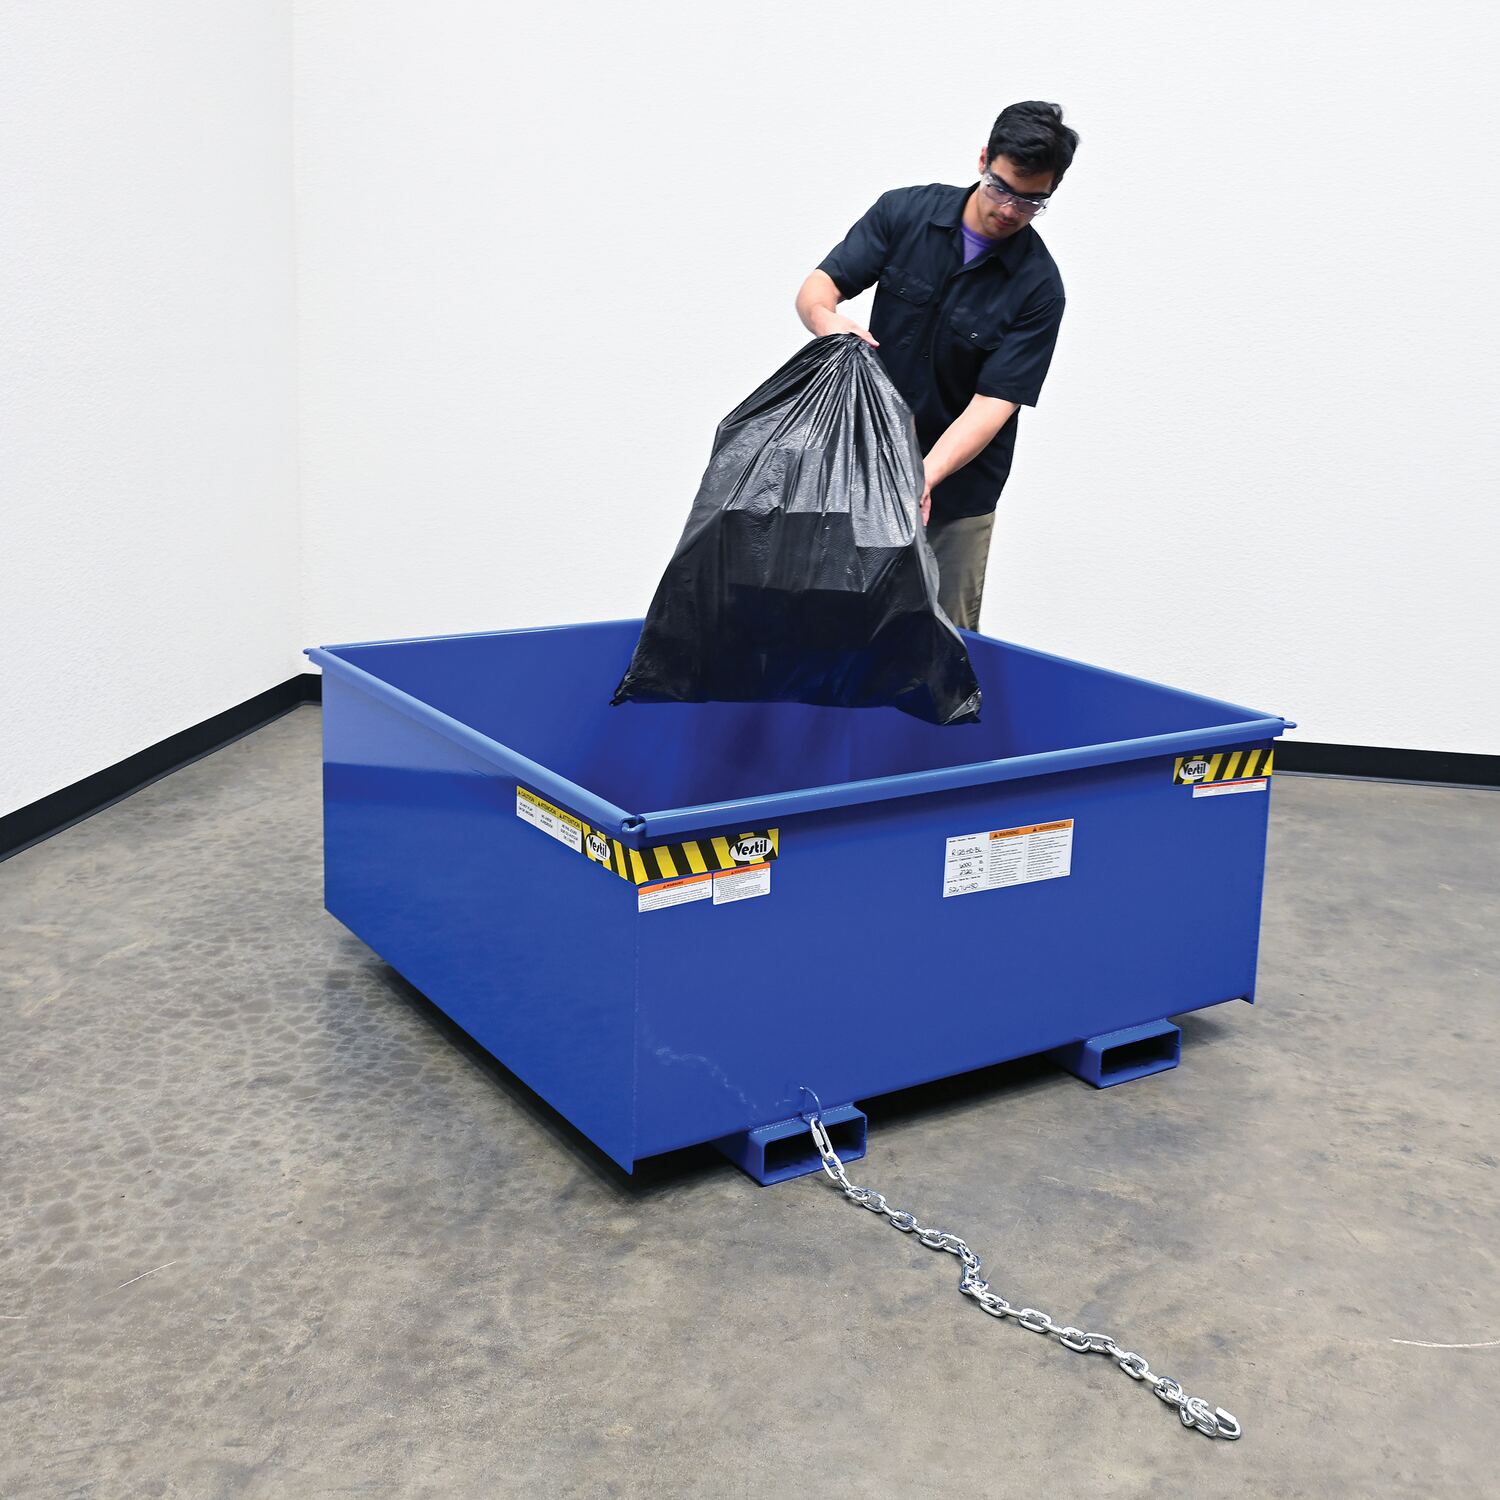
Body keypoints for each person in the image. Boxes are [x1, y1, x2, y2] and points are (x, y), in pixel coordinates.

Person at [796, 101, 1078, 630]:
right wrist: (825, 321)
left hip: (956, 496)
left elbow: (994, 403)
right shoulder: (904, 213)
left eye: (1031, 201)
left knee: (941, 640)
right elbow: (819, 287)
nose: (1010, 210)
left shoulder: (1039, 288)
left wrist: (924, 476)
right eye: (1001, 188)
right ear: (983, 160)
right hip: (863, 468)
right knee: (833, 625)